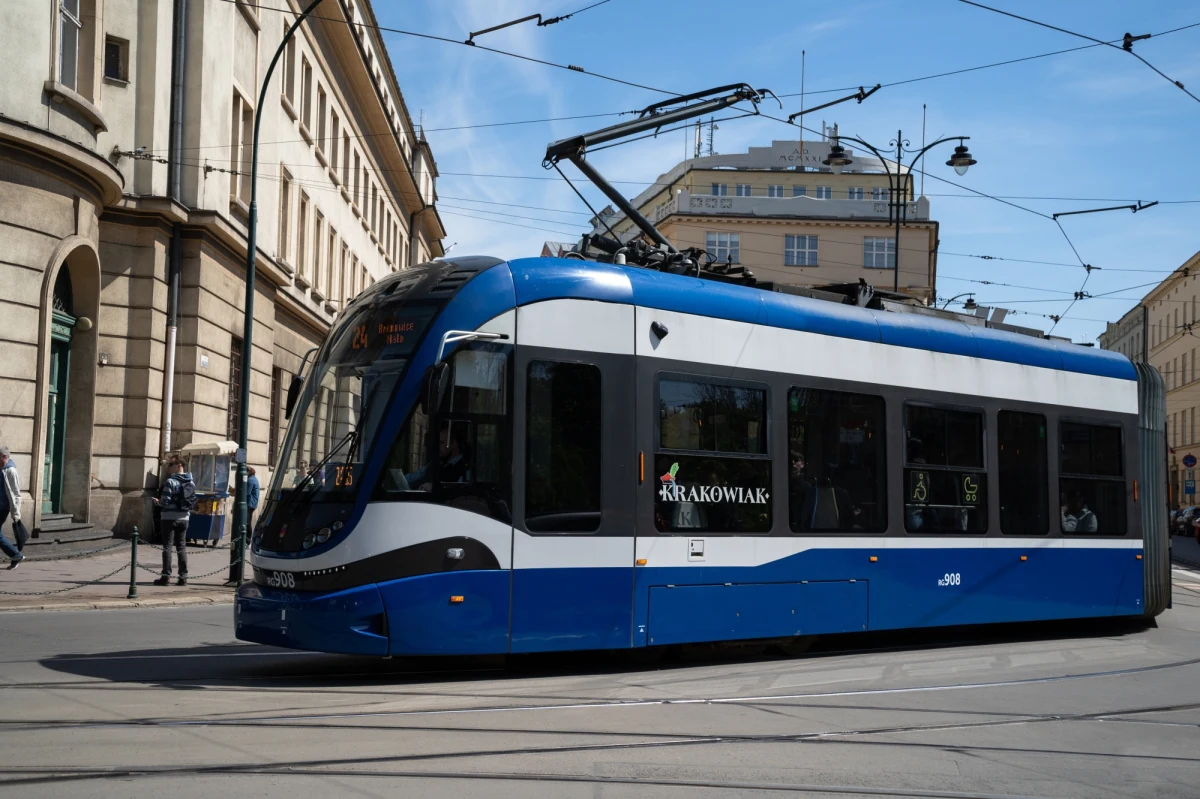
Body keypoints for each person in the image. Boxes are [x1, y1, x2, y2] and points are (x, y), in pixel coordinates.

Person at [153, 456, 195, 586]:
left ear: (179, 465)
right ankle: (183, 577)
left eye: (171, 464)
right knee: (181, 547)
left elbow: (164, 501)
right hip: (184, 518)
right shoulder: (191, 482)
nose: (168, 467)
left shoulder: (170, 482)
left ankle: (166, 577)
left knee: (167, 547)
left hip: (169, 518)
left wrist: (157, 502)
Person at [0, 447, 26, 569]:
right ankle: (15, 555)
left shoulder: (10, 471)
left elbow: (16, 493)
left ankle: (16, 554)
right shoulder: (1, 469)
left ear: (4, 457)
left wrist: (16, 514)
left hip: (2, 507)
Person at [246, 466, 260, 535]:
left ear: (248, 472)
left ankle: (248, 538)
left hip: (250, 503)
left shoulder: (250, 480)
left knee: (247, 522)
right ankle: (248, 538)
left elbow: (247, 492)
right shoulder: (254, 479)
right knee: (248, 521)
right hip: (252, 503)